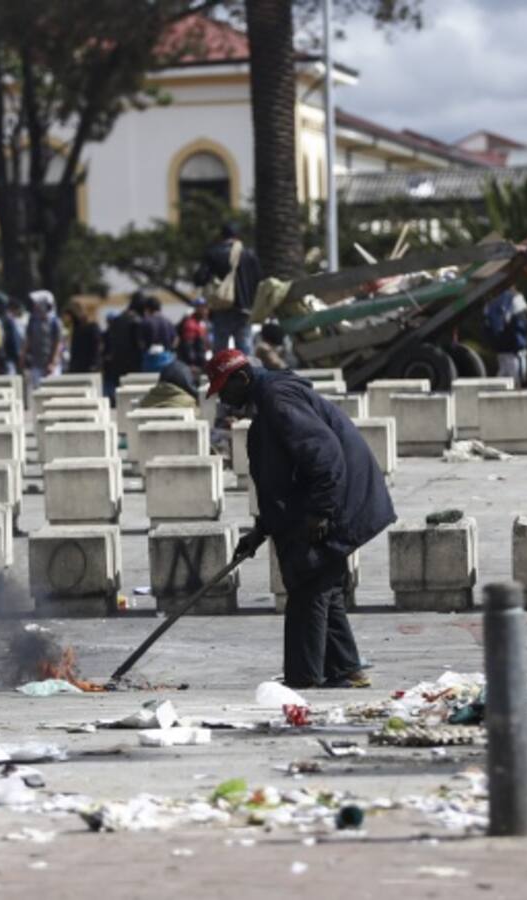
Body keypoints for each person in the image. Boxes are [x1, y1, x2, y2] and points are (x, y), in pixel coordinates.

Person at [207, 349, 396, 689]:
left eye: (224, 388)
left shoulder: (278, 400)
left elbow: (324, 455)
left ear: (243, 377)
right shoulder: (269, 403)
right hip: (326, 500)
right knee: (323, 584)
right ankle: (347, 668)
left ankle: (303, 681)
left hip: (335, 501)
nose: (223, 397)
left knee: (308, 583)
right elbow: (280, 480)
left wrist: (322, 511)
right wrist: (262, 529)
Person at [194, 224, 261, 355]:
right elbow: (258, 280)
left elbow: (200, 278)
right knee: (245, 346)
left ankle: (222, 374)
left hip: (221, 306)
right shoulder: (248, 254)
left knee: (220, 348)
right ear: (237, 236)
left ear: (221, 236)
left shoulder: (213, 253)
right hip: (244, 308)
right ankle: (247, 374)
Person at [104, 293, 146, 402]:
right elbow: (139, 345)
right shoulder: (136, 321)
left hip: (117, 364)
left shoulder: (117, 319)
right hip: (133, 365)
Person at [484, 288, 527, 388]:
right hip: (515, 350)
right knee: (517, 381)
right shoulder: (515, 297)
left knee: (502, 379)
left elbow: (487, 327)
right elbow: (522, 323)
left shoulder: (490, 302)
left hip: (500, 349)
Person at [22, 290, 62, 390]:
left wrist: (53, 362)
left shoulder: (55, 322)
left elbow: (58, 342)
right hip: (36, 363)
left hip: (50, 364)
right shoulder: (33, 320)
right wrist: (22, 356)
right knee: (36, 390)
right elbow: (28, 339)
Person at [67, 300, 103, 374]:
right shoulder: (77, 327)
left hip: (89, 367)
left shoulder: (92, 327)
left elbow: (96, 347)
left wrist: (94, 364)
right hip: (77, 367)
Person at [177, 298, 209, 372]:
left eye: (205, 307)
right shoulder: (190, 324)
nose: (205, 311)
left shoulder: (201, 323)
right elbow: (188, 347)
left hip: (200, 362)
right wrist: (192, 364)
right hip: (194, 366)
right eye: (202, 308)